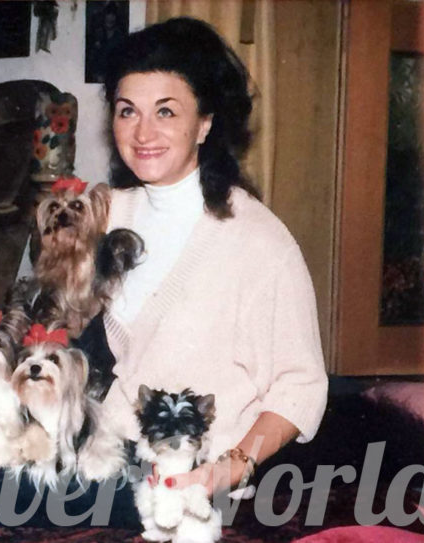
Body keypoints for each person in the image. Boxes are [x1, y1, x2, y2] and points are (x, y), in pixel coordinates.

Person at [99, 17, 329, 497]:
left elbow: (301, 385)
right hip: (107, 452)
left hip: (194, 475)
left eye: (166, 112)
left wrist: (229, 468)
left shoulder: (260, 243)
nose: (142, 132)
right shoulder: (105, 213)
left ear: (204, 123)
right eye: (127, 111)